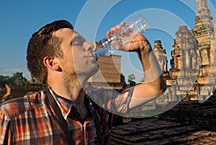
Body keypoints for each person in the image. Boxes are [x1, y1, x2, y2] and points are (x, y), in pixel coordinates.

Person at [0, 20, 164, 144]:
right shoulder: (12, 117)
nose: (89, 45)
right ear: (52, 63)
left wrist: (144, 50)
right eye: (77, 43)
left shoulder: (101, 103)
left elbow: (154, 88)